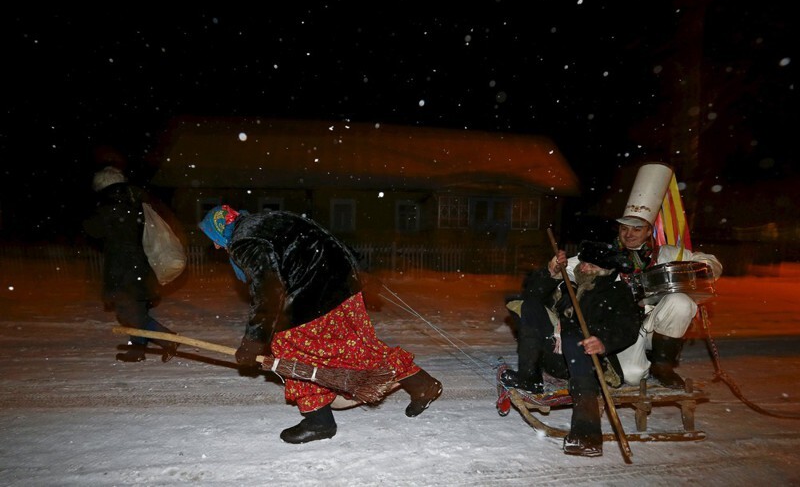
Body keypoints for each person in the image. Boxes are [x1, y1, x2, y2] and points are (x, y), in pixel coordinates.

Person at [197, 204, 443, 444]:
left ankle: (319, 422)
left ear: (220, 230)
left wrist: (254, 340)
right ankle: (422, 385)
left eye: (214, 238)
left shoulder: (244, 241)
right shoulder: (272, 218)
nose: (216, 246)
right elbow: (326, 237)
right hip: (343, 285)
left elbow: (268, 290)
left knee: (291, 354)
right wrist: (361, 273)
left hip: (311, 297)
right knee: (356, 346)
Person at [501, 241, 641, 457]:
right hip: (555, 356)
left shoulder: (616, 292)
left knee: (573, 336)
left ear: (606, 271)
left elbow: (628, 328)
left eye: (592, 267)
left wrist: (603, 341)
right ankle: (530, 377)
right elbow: (533, 296)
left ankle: (587, 434)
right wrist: (551, 272)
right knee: (529, 307)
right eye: (583, 263)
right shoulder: (569, 283)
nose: (584, 269)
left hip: (586, 362)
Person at [612, 163, 723, 389]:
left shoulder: (669, 253)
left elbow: (710, 261)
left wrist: (707, 267)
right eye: (624, 228)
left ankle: (662, 364)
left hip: (659, 323)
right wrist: (557, 268)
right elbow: (574, 268)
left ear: (648, 231)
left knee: (681, 301)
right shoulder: (606, 255)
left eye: (636, 229)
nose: (628, 234)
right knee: (632, 377)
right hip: (621, 328)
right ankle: (628, 360)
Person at [83, 165, 180, 363]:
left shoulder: (108, 207)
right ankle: (137, 351)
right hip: (140, 267)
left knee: (132, 315)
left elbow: (92, 229)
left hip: (123, 270)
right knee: (136, 312)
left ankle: (168, 339)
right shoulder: (135, 202)